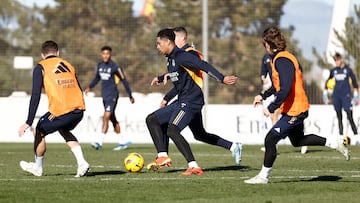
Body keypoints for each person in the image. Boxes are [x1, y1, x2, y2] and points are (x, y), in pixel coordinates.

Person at [245, 27, 351, 184]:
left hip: (296, 109)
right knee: (298, 141)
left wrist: (272, 107)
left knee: (270, 139)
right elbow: (278, 86)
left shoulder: (282, 60)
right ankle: (334, 143)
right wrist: (263, 95)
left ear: (268, 44)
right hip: (294, 108)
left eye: (264, 44)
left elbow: (286, 88)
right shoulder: (281, 58)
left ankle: (263, 177)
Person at [146, 28, 237, 176]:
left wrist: (222, 78)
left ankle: (193, 166)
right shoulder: (170, 58)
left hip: (191, 101)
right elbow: (179, 76)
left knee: (172, 130)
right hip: (183, 100)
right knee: (153, 119)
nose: (157, 47)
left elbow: (203, 65)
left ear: (168, 41)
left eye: (158, 43)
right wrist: (163, 77)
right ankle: (162, 156)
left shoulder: (182, 55)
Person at [18, 40, 89, 177]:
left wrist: (29, 121)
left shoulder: (41, 67)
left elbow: (35, 95)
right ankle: (82, 163)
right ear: (57, 53)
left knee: (39, 129)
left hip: (62, 110)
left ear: (42, 55)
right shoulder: (68, 65)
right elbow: (78, 88)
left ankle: (37, 168)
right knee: (63, 129)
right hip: (79, 109)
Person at [84, 46, 135, 151]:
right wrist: (89, 87)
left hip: (113, 95)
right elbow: (97, 78)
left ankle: (99, 141)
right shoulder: (100, 65)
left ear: (110, 54)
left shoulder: (115, 67)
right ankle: (122, 142)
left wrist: (130, 95)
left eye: (107, 54)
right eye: (104, 54)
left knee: (106, 116)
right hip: (105, 96)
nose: (105, 55)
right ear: (101, 54)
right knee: (112, 118)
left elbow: (124, 81)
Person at [259, 53, 308, 154]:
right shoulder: (267, 57)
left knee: (282, 117)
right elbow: (264, 72)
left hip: (286, 94)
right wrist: (263, 79)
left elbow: (296, 73)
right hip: (277, 90)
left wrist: (270, 107)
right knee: (274, 116)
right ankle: (274, 144)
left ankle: (274, 143)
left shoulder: (283, 58)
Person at [324, 53, 358, 137]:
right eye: (335, 61)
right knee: (339, 116)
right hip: (336, 95)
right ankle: (340, 135)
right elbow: (328, 81)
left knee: (349, 115)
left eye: (337, 60)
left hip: (346, 95)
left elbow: (354, 81)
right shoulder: (334, 71)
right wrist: (325, 93)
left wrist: (356, 94)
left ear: (341, 59)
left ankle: (356, 134)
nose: (336, 62)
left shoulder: (348, 70)